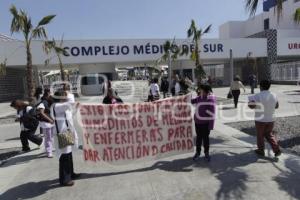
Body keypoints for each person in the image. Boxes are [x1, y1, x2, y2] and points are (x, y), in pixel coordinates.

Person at [51, 90, 80, 187]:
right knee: (64, 157)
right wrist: (70, 96)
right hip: (62, 134)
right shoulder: (56, 106)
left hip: (67, 133)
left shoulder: (63, 107)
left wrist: (76, 108)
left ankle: (71, 174)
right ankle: (65, 179)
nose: (66, 97)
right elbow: (69, 103)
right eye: (64, 96)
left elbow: (71, 116)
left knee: (69, 155)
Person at [248, 80, 281, 157]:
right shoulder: (274, 95)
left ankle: (261, 150)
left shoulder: (257, 96)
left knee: (260, 135)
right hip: (271, 119)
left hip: (260, 120)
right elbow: (276, 106)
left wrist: (250, 102)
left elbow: (251, 106)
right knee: (269, 134)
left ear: (261, 86)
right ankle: (277, 150)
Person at [191, 84, 216, 162]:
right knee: (198, 138)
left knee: (205, 139)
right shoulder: (199, 97)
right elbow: (192, 101)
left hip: (205, 123)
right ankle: (198, 152)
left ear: (205, 91)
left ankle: (206, 153)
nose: (199, 91)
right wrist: (186, 97)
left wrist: (211, 125)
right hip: (197, 122)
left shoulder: (210, 99)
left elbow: (212, 113)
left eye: (200, 90)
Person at [37, 89, 55, 157]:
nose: (51, 94)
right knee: (48, 137)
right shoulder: (43, 102)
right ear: (48, 93)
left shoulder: (48, 101)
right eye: (50, 93)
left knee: (50, 136)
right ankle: (48, 151)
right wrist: (49, 119)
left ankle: (49, 148)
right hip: (46, 123)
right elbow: (41, 113)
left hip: (50, 122)